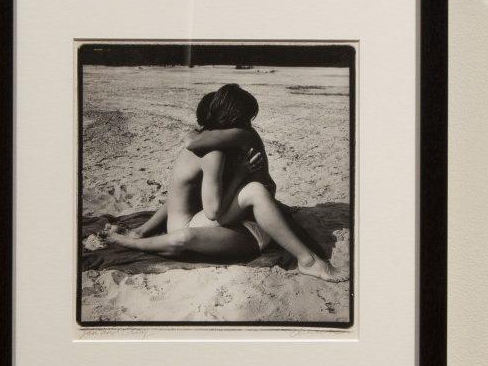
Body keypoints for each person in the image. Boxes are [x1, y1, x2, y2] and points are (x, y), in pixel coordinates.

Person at [103, 82, 347, 282]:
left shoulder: (210, 147)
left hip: (195, 223)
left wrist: (143, 228)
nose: (249, 126)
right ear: (231, 121)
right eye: (244, 120)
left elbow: (179, 197)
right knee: (255, 192)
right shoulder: (214, 153)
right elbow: (213, 213)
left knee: (256, 195)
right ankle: (309, 261)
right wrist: (131, 240)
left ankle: (300, 252)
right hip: (197, 226)